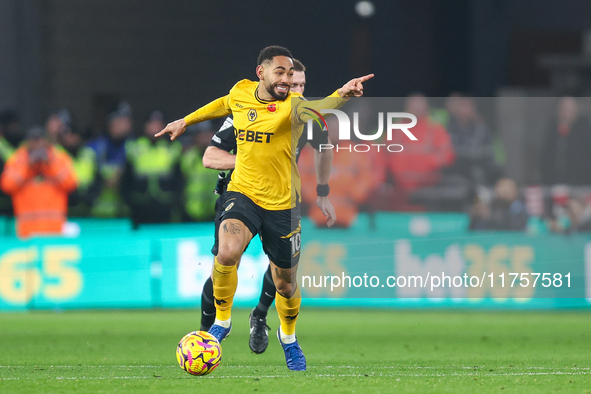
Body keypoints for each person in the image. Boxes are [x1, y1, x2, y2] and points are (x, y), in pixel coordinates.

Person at [156, 45, 372, 371]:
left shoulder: (294, 107)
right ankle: (223, 322)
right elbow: (221, 105)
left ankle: (288, 337)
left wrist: (342, 93)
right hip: (243, 193)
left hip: (283, 204)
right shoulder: (241, 92)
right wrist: (184, 121)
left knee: (285, 282)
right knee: (226, 252)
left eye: (290, 75)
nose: (287, 80)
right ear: (262, 72)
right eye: (280, 73)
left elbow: (321, 107)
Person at [198, 59, 336, 356]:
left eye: (301, 86)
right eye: (292, 85)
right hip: (242, 195)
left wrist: (322, 191)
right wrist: (250, 165)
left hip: (284, 200)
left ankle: (260, 316)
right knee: (224, 260)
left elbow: (325, 148)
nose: (297, 91)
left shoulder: (306, 115)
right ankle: (205, 336)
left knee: (283, 276)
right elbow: (210, 156)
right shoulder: (247, 109)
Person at [0, 126, 77, 238]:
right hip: (27, 231)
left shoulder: (59, 158)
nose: (37, 145)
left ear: (46, 141)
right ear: (27, 142)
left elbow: (71, 184)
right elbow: (7, 186)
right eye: (33, 140)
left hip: (55, 230)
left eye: (40, 140)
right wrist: (28, 165)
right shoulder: (17, 160)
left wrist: (50, 164)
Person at [121, 110, 184, 226]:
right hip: (140, 207)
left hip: (165, 207)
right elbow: (126, 180)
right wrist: (129, 203)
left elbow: (179, 179)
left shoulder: (173, 148)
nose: (155, 128)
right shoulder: (134, 147)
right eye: (152, 124)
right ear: (145, 126)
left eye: (158, 124)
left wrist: (175, 203)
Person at [87, 101, 134, 217]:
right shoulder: (95, 147)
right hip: (97, 213)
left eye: (127, 120)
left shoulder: (135, 147)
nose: (125, 124)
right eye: (120, 120)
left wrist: (123, 178)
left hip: (125, 213)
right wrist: (102, 181)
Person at [540, 96, 591, 186]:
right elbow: (546, 158)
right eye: (564, 108)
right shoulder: (552, 132)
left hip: (580, 185)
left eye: (569, 109)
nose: (566, 112)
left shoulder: (585, 132)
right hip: (554, 184)